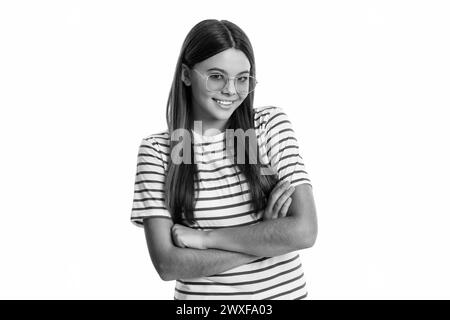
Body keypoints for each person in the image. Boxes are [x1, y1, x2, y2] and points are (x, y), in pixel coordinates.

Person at [130, 19, 318, 300]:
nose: (232, 90)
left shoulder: (269, 126)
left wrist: (205, 240)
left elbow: (304, 232)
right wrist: (264, 236)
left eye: (243, 78)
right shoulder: (157, 151)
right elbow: (168, 264)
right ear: (186, 74)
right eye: (217, 76)